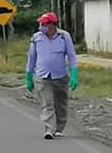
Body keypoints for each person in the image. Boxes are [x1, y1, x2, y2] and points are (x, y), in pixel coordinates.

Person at [25, 11, 78, 140]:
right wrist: (28, 77)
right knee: (47, 104)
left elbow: (71, 56)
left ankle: (59, 127)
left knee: (61, 104)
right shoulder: (36, 38)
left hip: (60, 76)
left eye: (43, 24)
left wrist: (74, 74)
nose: (41, 26)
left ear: (52, 25)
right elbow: (31, 58)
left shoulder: (64, 36)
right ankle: (49, 129)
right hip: (42, 77)